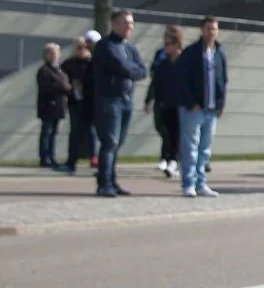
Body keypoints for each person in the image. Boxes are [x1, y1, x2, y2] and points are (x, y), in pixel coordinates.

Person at [89, 10, 148, 198]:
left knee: (118, 143)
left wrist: (130, 70)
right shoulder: (105, 45)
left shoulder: (129, 48)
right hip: (110, 99)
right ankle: (104, 183)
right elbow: (120, 66)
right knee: (110, 141)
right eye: (125, 23)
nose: (129, 27)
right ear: (114, 24)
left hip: (126, 100)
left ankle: (112, 181)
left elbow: (142, 71)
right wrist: (130, 69)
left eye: (131, 23)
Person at [174, 15, 227, 198]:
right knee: (190, 147)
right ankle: (188, 183)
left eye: (215, 29)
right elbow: (181, 79)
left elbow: (223, 81)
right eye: (208, 28)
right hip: (193, 109)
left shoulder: (219, 53)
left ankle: (201, 183)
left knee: (205, 149)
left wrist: (220, 103)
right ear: (202, 30)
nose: (212, 32)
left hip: (212, 109)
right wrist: (191, 103)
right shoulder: (191, 53)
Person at [146, 25, 184, 181]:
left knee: (179, 135)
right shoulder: (162, 63)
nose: (165, 47)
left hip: (182, 104)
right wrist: (150, 100)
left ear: (177, 44)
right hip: (166, 104)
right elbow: (155, 83)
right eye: (165, 44)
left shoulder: (185, 61)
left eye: (168, 44)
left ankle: (174, 162)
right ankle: (171, 161)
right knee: (167, 133)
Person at [60, 33, 96, 174]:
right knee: (75, 131)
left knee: (91, 131)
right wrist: (69, 86)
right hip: (75, 102)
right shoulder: (69, 64)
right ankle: (71, 160)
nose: (82, 49)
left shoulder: (91, 63)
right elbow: (62, 79)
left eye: (85, 47)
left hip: (90, 102)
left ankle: (93, 157)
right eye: (79, 47)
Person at [35, 43, 69, 169]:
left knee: (54, 133)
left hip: (59, 107)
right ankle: (44, 157)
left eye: (57, 53)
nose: (55, 55)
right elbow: (47, 87)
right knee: (47, 132)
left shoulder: (59, 70)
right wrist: (63, 87)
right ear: (46, 55)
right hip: (48, 106)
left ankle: (51, 156)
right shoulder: (44, 70)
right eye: (52, 53)